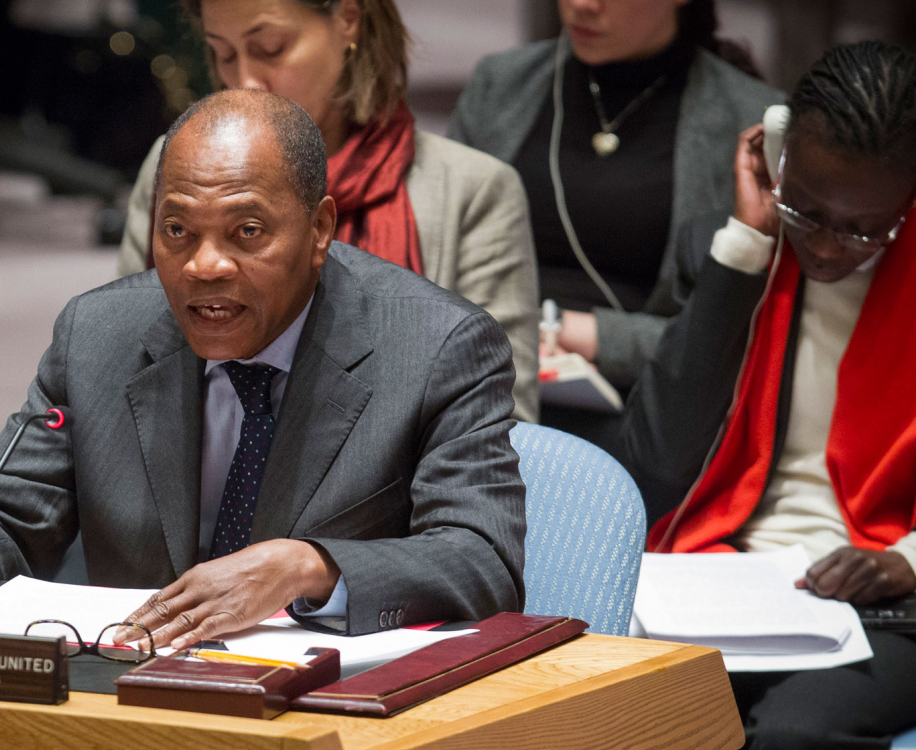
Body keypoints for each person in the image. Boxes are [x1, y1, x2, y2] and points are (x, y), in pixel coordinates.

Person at [0, 90, 526, 648]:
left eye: (246, 232)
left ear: (320, 229)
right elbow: (13, 512)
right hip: (124, 698)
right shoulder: (98, 334)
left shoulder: (437, 347)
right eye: (177, 231)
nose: (202, 266)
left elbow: (482, 559)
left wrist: (309, 567)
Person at [620, 42, 916, 748]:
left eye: (864, 228)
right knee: (608, 709)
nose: (828, 249)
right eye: (807, 211)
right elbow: (654, 464)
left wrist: (907, 559)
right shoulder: (731, 252)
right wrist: (746, 252)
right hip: (725, 578)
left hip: (886, 604)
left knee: (789, 734)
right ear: (777, 159)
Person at [116, 0, 541, 422]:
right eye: (223, 53)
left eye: (270, 48)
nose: (244, 81)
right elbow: (124, 372)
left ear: (348, 20)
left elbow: (501, 426)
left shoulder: (470, 190)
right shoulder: (174, 169)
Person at [447, 0, 781, 442]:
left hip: (645, 409)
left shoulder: (749, 120)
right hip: (481, 379)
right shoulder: (502, 82)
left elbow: (732, 335)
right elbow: (444, 262)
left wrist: (586, 334)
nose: (582, 5)